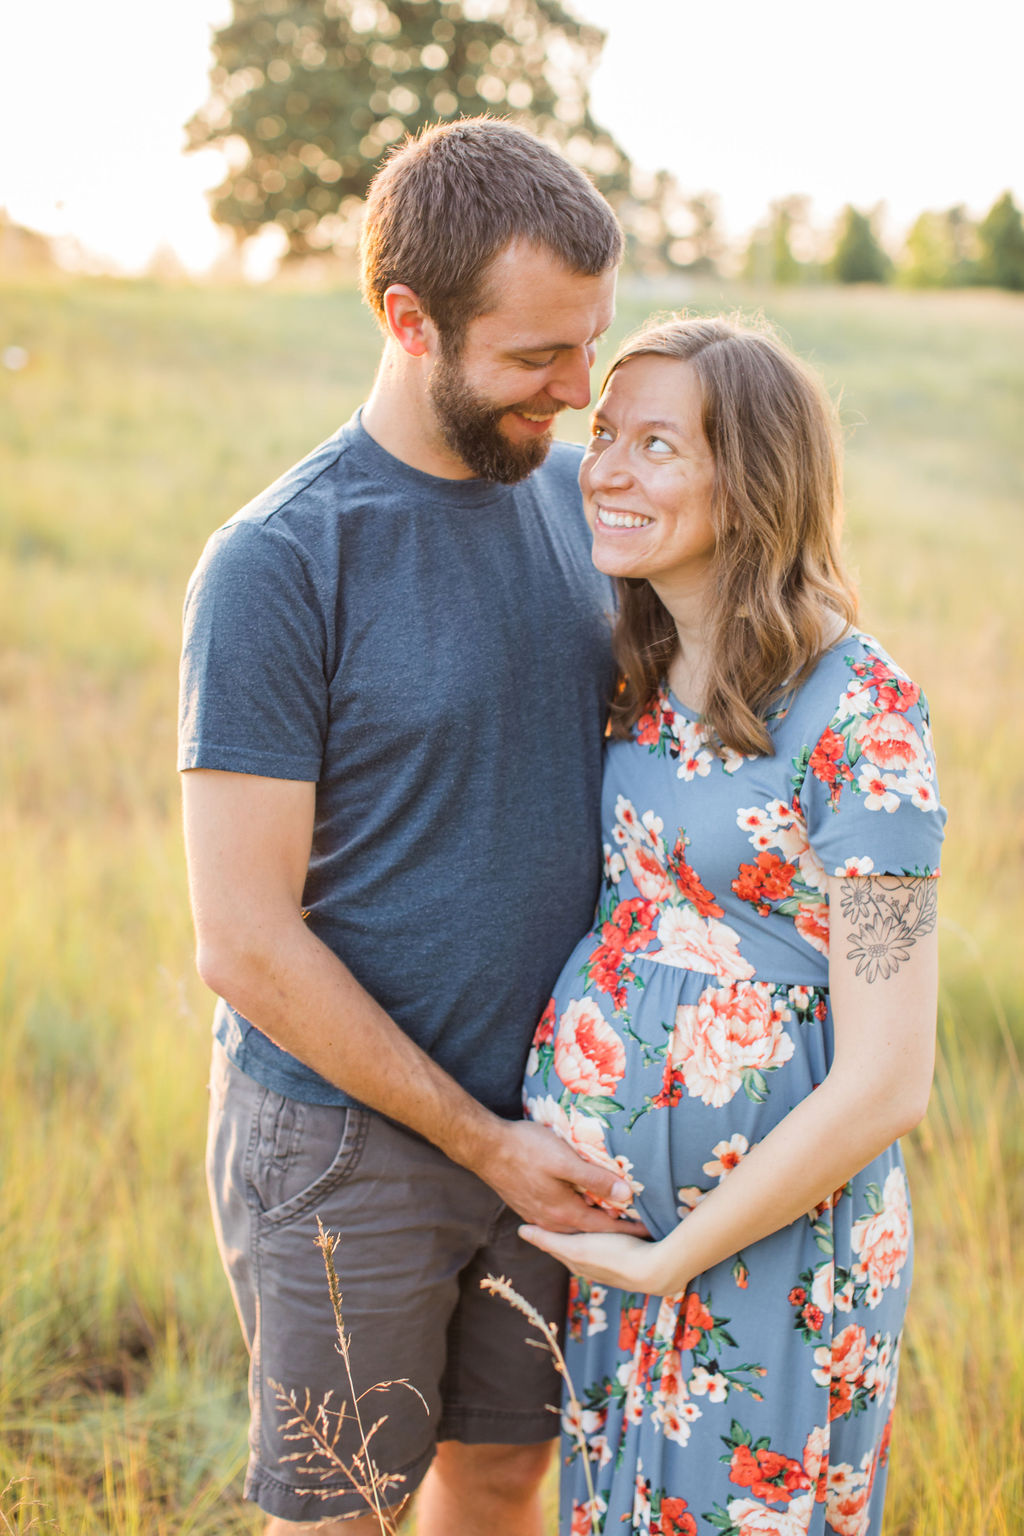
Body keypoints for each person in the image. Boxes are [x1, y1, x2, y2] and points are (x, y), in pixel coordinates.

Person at [178, 117, 645, 1536]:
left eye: (590, 344)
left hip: (552, 1118)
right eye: (536, 355)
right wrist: (480, 1142)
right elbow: (243, 941)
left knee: (500, 1474)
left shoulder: (578, 501)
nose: (576, 392)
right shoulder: (278, 563)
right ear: (407, 320)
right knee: (342, 1508)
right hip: (345, 1142)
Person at [519, 315, 946, 1536]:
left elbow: (889, 1079)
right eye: (604, 434)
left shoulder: (865, 716)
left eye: (656, 445)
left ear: (751, 479)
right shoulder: (637, 673)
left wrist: (676, 1256)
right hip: (620, 1247)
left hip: (771, 1251)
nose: (604, 468)